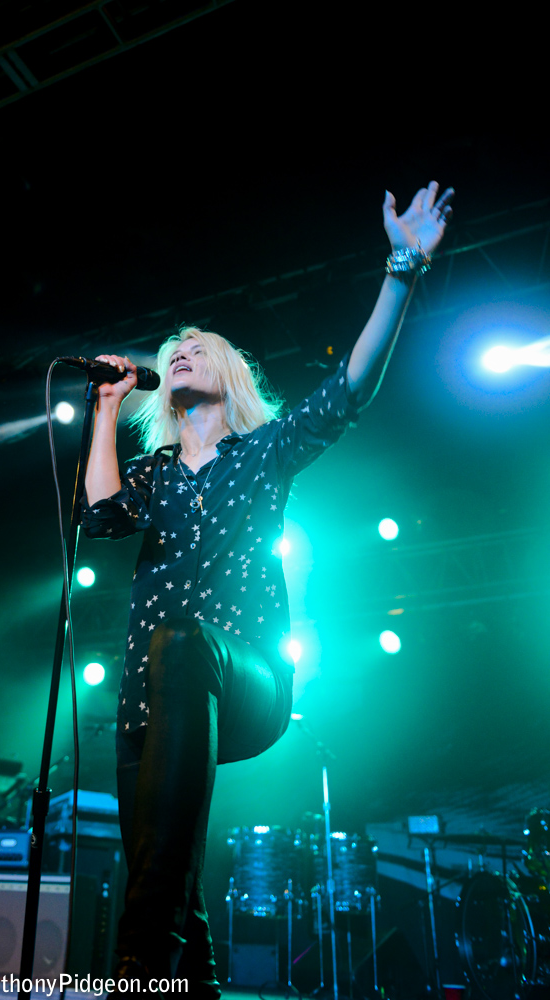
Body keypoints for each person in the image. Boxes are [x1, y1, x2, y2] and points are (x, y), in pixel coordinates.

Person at [81, 181, 454, 994]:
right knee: (159, 866)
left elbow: (348, 390)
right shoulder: (153, 475)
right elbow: (102, 515)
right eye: (169, 348)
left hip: (244, 676)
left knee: (181, 648)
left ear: (229, 373)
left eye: (196, 345)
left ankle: (133, 967)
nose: (178, 350)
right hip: (152, 698)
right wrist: (106, 406)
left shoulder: (262, 453)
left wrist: (400, 269)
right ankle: (189, 980)